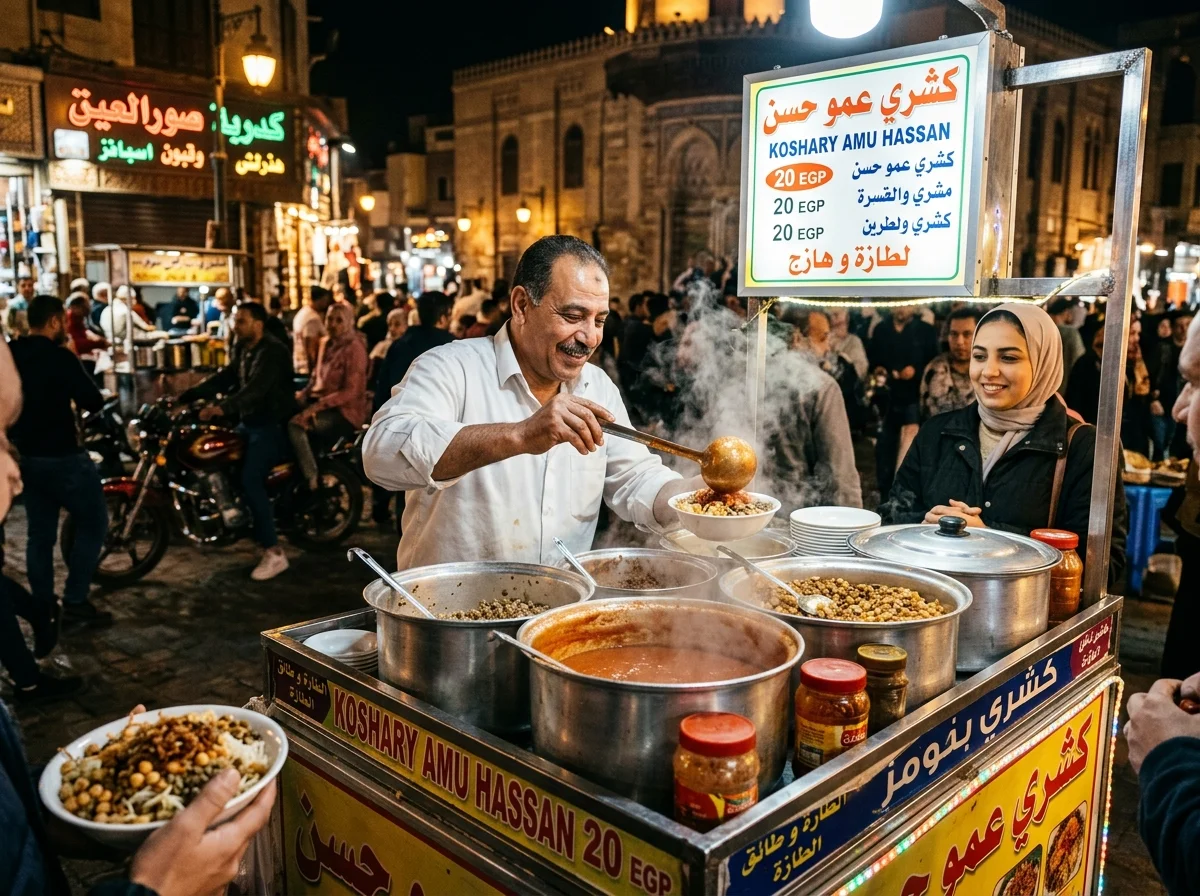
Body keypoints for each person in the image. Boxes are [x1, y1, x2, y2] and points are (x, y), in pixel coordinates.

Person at [363, 235, 694, 568]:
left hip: (561, 598)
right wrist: (520, 435)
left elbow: (636, 478)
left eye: (599, 321)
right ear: (521, 305)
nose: (590, 337)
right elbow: (381, 453)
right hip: (451, 599)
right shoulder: (451, 367)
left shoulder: (598, 387)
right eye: (573, 315)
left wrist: (698, 498)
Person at [883, 302, 1126, 582]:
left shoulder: (1084, 448)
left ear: (1043, 361)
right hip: (934, 600)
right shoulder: (937, 433)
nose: (989, 371)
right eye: (979, 356)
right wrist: (930, 529)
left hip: (1023, 609)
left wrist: (988, 539)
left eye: (1008, 358)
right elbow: (891, 518)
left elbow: (1104, 565)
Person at [11, 295, 113, 630]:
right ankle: (75, 600)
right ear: (55, 321)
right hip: (64, 457)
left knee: (39, 535)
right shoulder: (60, 357)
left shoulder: (11, 354)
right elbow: (93, 400)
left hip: (27, 456)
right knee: (94, 521)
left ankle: (44, 606)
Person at [180, 302, 296, 581]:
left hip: (270, 426)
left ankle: (274, 552)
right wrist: (188, 395)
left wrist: (223, 408)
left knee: (250, 479)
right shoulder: (244, 348)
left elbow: (256, 389)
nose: (235, 326)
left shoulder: (273, 351)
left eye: (241, 321)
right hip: (249, 423)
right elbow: (226, 377)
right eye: (235, 320)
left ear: (258, 323)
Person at [0, 336, 80, 701]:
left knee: (39, 534)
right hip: (53, 456)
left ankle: (28, 672)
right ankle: (40, 613)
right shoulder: (54, 357)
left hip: (35, 457)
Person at [368, 293, 455, 528]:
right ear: (444, 317)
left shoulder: (400, 344)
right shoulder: (452, 346)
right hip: (441, 433)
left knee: (406, 495)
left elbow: (382, 388)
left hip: (401, 429)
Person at [289, 303, 369, 493]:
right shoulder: (326, 343)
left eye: (339, 320)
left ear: (349, 323)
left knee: (295, 426)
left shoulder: (355, 348)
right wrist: (304, 394)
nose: (333, 324)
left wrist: (314, 408)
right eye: (330, 319)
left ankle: (312, 479)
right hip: (320, 404)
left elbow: (351, 391)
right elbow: (316, 377)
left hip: (344, 412)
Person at [869, 306, 940, 500]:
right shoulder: (881, 329)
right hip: (887, 399)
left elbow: (934, 362)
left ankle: (904, 496)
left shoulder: (925, 330)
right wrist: (880, 369)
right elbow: (873, 359)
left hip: (914, 399)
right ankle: (885, 495)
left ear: (914, 306)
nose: (901, 308)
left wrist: (916, 371)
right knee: (885, 449)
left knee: (910, 449)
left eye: (906, 304)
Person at [920, 306, 979, 421]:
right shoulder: (935, 369)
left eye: (967, 334)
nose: (960, 342)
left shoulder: (990, 370)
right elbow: (924, 412)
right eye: (954, 334)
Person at [1047, 297, 1086, 395]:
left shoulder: (1041, 329)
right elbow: (1078, 359)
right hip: (1063, 386)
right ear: (1065, 312)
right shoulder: (1070, 333)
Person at [293, 286, 333, 378]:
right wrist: (315, 371)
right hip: (307, 369)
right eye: (325, 300)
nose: (326, 303)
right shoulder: (312, 319)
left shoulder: (302, 313)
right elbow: (310, 349)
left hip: (299, 365)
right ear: (319, 300)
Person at [65, 295, 108, 378]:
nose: (88, 308)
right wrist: (98, 343)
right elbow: (76, 343)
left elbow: (83, 332)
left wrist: (98, 339)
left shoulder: (79, 318)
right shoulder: (71, 319)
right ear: (75, 307)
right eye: (85, 306)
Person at [828, 307, 869, 381]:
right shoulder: (824, 340)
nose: (834, 318)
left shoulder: (854, 341)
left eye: (837, 314)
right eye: (832, 314)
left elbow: (861, 370)